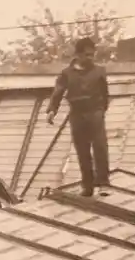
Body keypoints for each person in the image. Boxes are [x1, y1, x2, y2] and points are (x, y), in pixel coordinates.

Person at [45, 37, 111, 198]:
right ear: (78, 55)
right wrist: (52, 110)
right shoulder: (67, 74)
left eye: (92, 55)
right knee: (82, 150)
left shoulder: (99, 71)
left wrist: (101, 110)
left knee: (100, 146)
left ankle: (103, 183)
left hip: (95, 111)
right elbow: (58, 92)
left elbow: (105, 93)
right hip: (77, 113)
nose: (90, 58)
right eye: (87, 55)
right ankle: (87, 186)